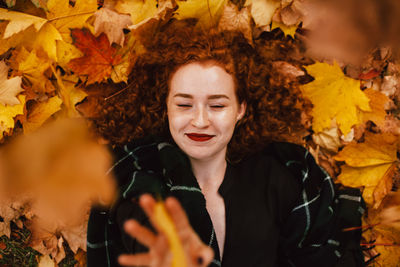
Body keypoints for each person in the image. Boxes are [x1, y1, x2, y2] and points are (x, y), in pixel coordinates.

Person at [86, 19, 365, 267]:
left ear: (241, 109)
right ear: (166, 107)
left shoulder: (281, 180)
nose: (200, 121)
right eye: (184, 104)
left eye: (217, 105)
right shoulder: (134, 186)